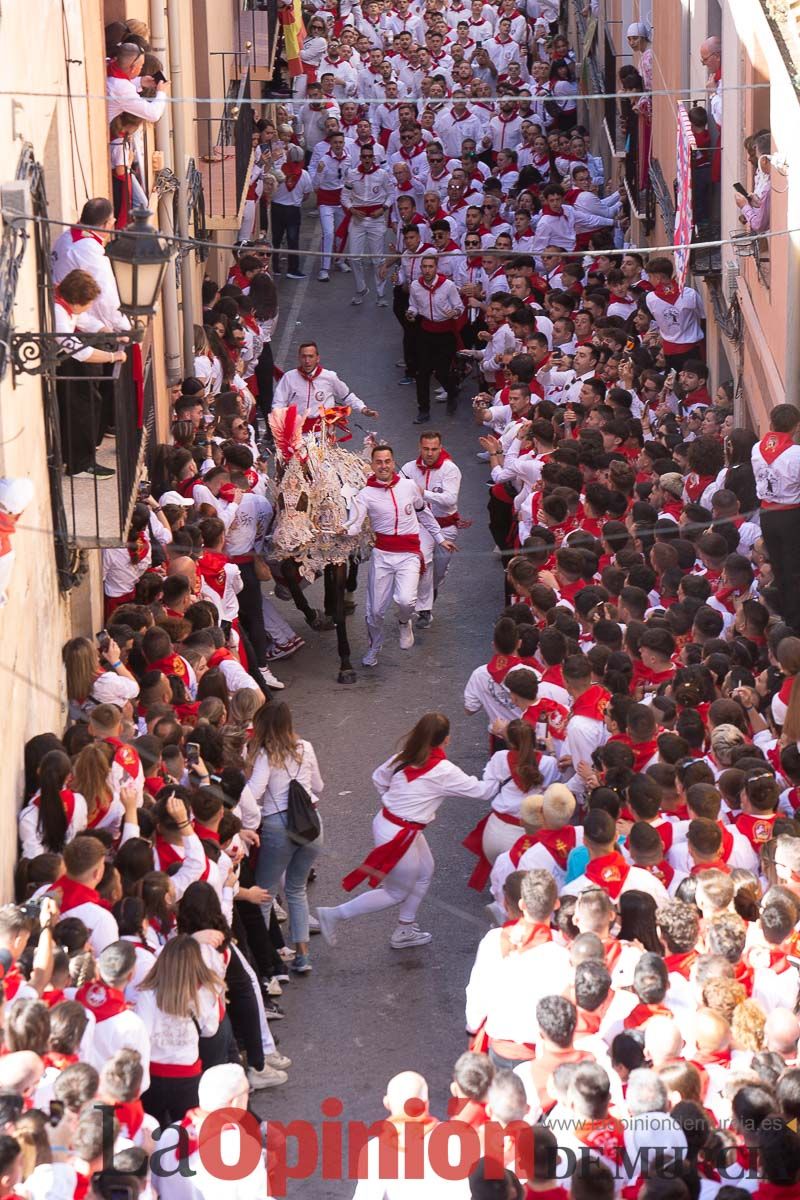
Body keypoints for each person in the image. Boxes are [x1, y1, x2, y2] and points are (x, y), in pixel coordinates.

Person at [344, 444, 458, 666]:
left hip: (409, 555)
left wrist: (439, 538)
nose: (383, 466)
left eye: (387, 461)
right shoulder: (364, 495)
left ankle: (404, 621)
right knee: (375, 611)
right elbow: (354, 524)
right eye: (379, 462)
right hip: (383, 556)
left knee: (406, 600)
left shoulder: (409, 487)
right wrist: (343, 529)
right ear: (372, 465)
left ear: (393, 462)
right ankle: (374, 646)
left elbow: (423, 512)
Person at [245, 702, 324, 974]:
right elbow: (319, 786)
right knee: (296, 889)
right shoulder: (306, 747)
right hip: (311, 824)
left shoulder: (266, 755)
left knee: (264, 893)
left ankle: (267, 958)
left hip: (277, 825)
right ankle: (303, 957)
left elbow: (254, 792)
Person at [401, 430, 464, 627]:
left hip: (446, 527)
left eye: (434, 449)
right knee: (424, 562)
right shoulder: (408, 469)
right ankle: (424, 610)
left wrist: (422, 493)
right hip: (422, 526)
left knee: (438, 571)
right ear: (420, 448)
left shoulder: (450, 470)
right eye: (426, 449)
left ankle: (430, 592)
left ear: (440, 448)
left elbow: (450, 499)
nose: (429, 453)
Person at [751, 402, 800, 632]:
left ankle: (786, 616)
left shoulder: (756, 448)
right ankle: (794, 621)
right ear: (796, 427)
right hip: (790, 515)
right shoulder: (796, 454)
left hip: (768, 514)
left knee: (779, 567)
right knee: (793, 570)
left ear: (771, 423)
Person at [406, 254, 466, 421]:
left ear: (436, 268)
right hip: (425, 332)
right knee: (422, 372)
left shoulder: (448, 286)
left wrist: (454, 312)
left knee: (441, 372)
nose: (427, 270)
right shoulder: (415, 286)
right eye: (424, 266)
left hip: (445, 333)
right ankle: (423, 410)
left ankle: (452, 392)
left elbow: (459, 306)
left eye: (430, 266)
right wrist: (411, 312)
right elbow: (414, 305)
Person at [272, 342, 378, 429]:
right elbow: (278, 402)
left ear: (317, 358)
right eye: (304, 357)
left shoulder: (329, 377)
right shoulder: (289, 377)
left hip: (322, 431)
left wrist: (363, 409)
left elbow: (347, 396)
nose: (307, 361)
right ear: (299, 358)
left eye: (311, 356)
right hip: (296, 431)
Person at [341, 142, 394, 306]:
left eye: (369, 156)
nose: (367, 159)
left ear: (374, 158)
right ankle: (361, 288)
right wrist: (352, 210)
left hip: (376, 220)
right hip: (358, 219)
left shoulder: (382, 175)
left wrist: (384, 208)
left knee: (377, 259)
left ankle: (380, 295)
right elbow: (344, 196)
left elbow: (391, 194)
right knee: (354, 257)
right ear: (360, 157)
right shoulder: (352, 174)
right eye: (364, 157)